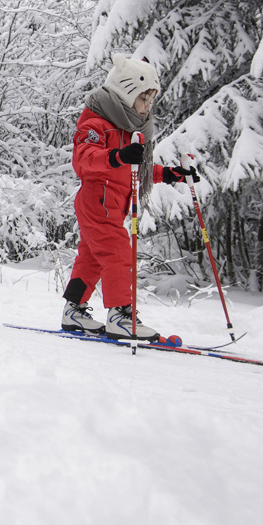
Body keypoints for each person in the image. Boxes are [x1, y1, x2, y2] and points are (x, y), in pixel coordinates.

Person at [60, 54, 197, 340]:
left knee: (92, 258)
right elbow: (84, 158)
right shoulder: (97, 121)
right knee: (118, 253)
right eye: (143, 99)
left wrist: (171, 173)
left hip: (112, 204)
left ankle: (73, 311)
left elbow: (137, 169)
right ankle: (120, 315)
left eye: (151, 100)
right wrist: (116, 155)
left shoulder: (129, 127)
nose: (147, 107)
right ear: (125, 93)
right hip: (97, 201)